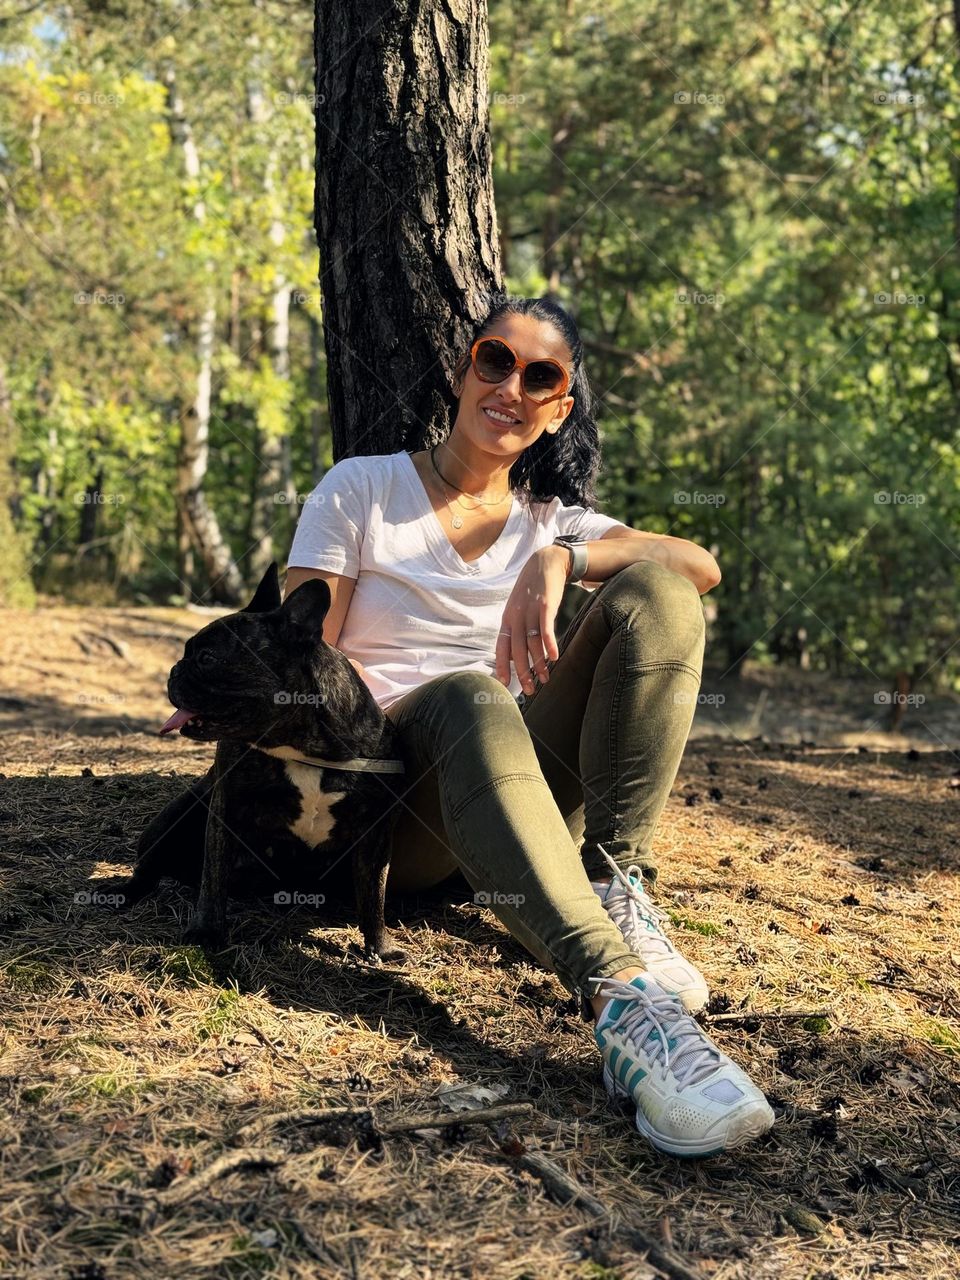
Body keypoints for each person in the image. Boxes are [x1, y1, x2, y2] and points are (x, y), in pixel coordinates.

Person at [283, 295, 774, 1158]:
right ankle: (628, 1009)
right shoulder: (361, 488)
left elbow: (702, 566)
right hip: (389, 807)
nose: (510, 385)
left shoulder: (553, 519)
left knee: (657, 592)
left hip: (516, 797)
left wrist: (564, 559)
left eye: (539, 375)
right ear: (461, 368)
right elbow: (300, 663)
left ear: (560, 407)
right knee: (473, 694)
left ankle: (617, 877)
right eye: (494, 359)